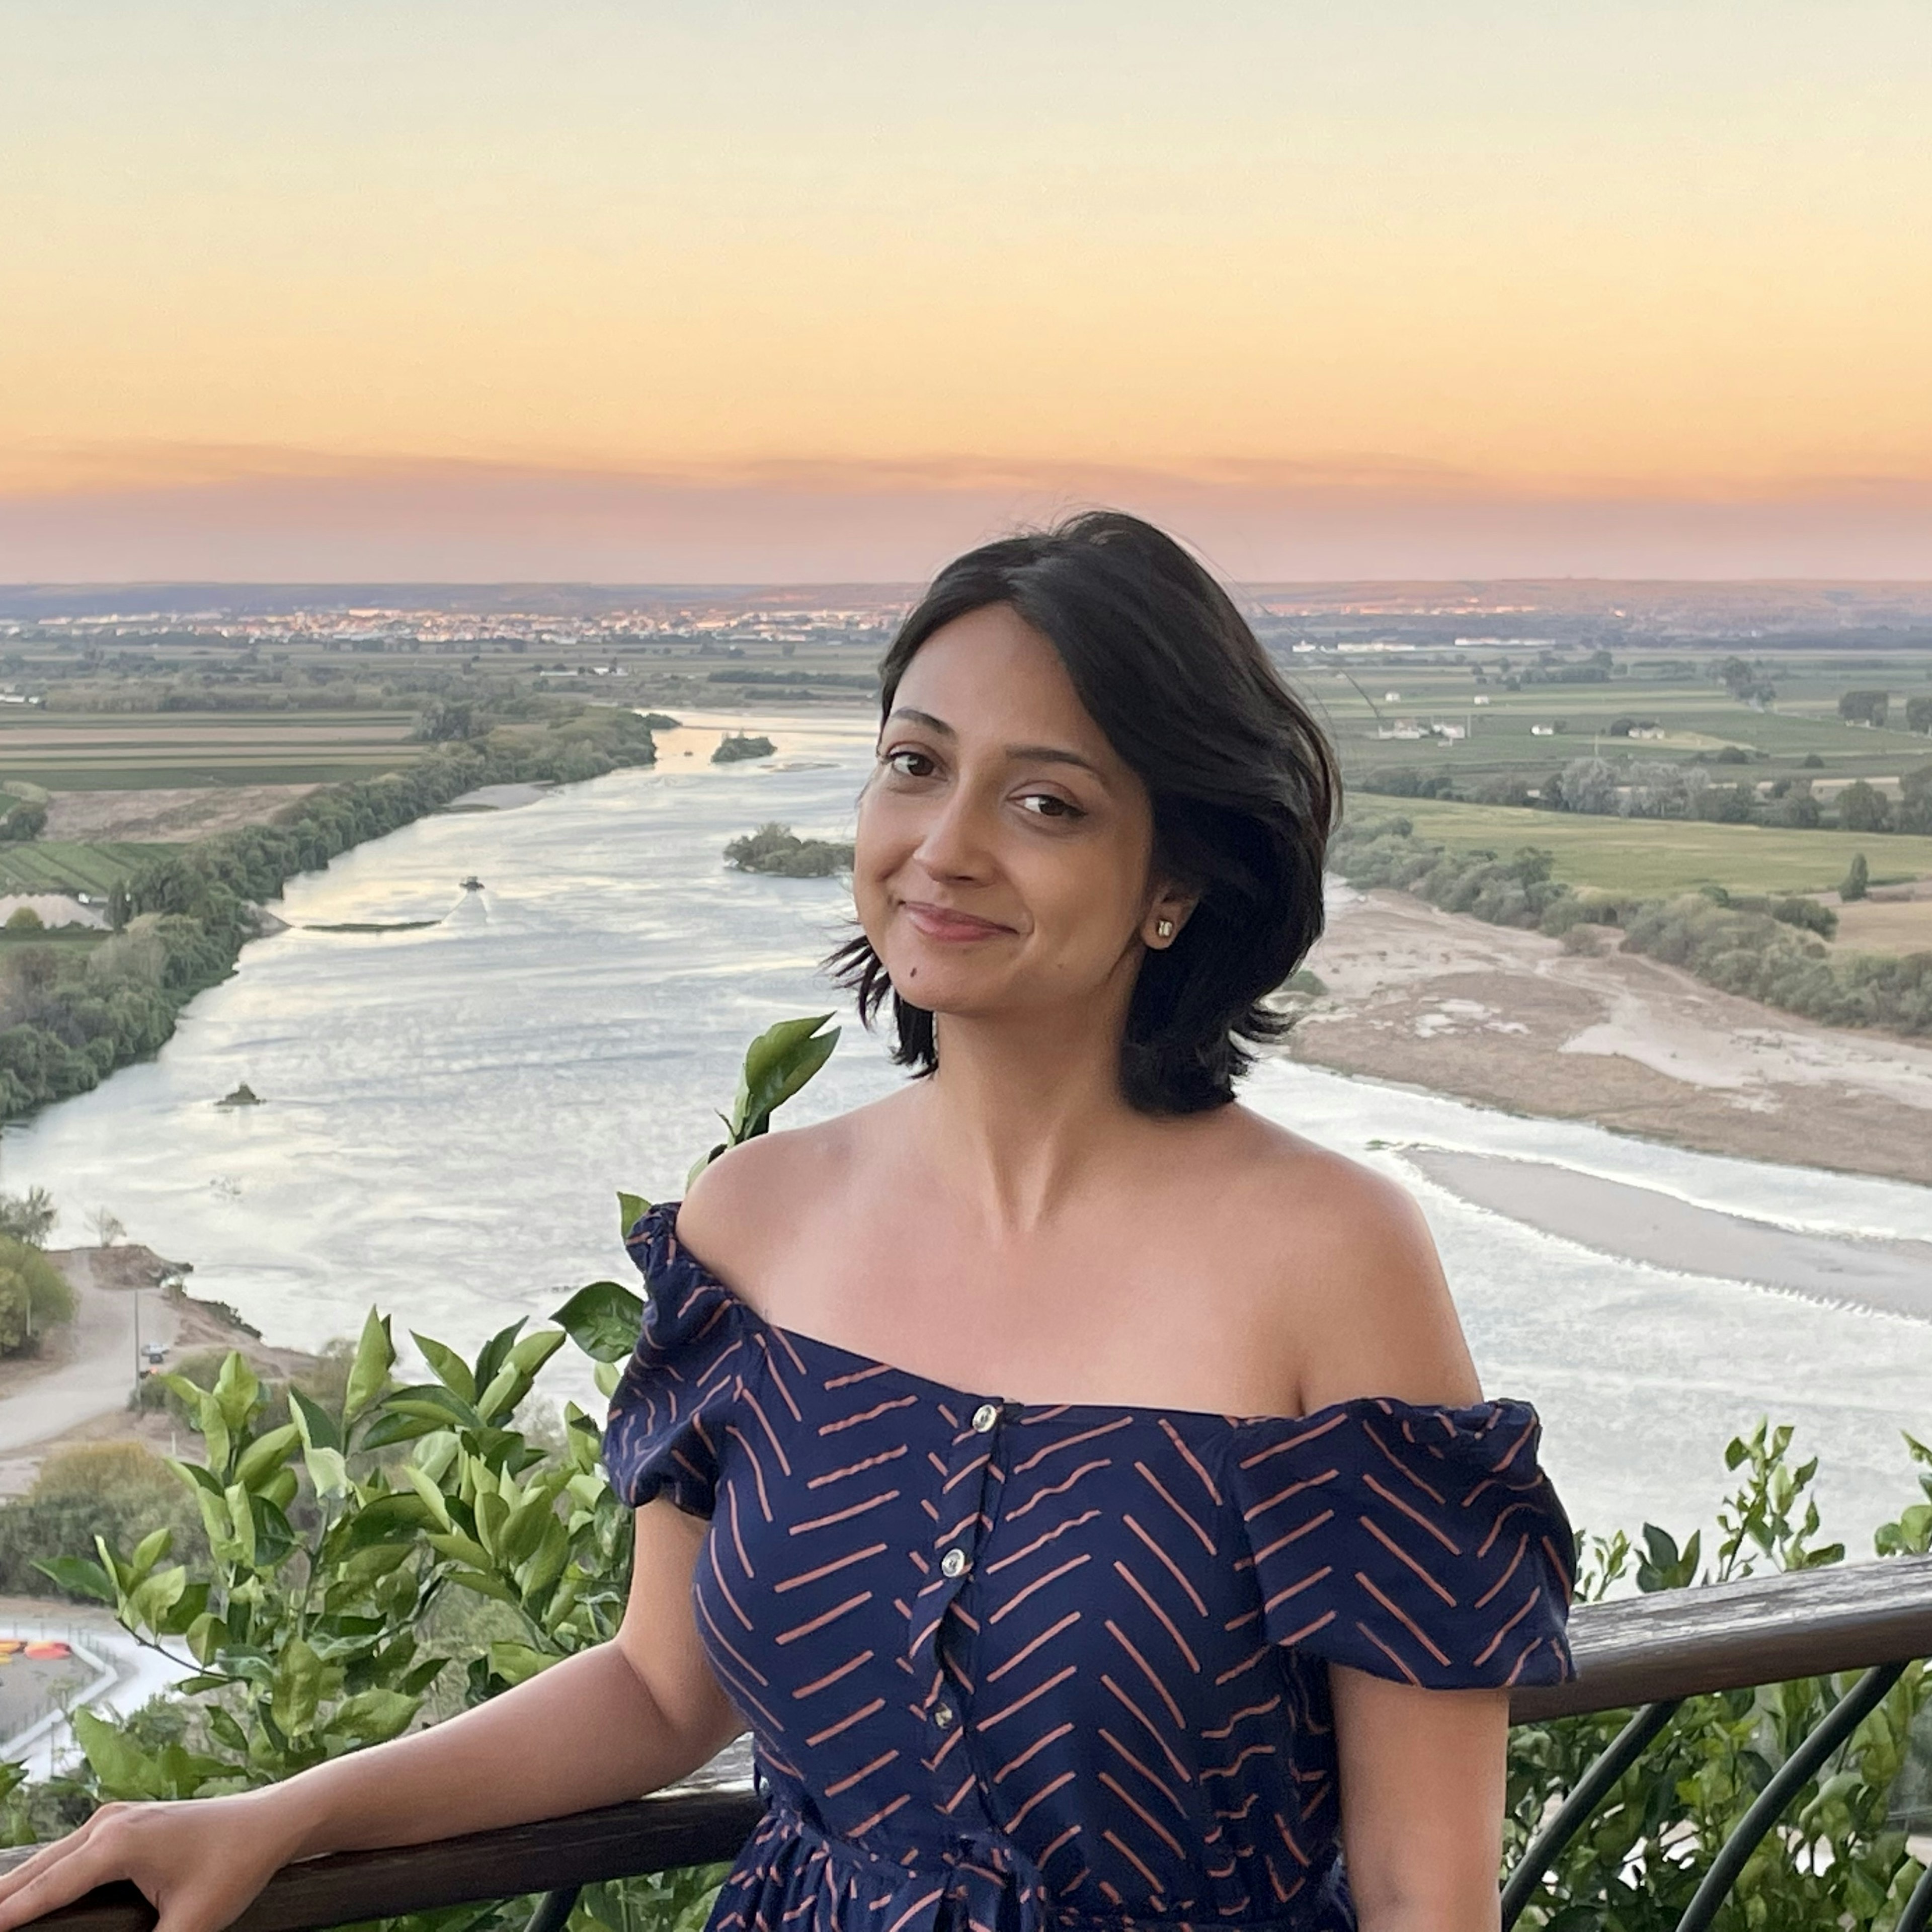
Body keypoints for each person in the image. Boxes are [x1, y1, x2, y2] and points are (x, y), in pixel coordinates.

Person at [0, 512, 1572, 1932]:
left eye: (1046, 800)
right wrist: (284, 1813)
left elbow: (1427, 1893)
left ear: (1177, 878)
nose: (945, 846)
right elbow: (658, 1686)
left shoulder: (1333, 1261)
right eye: (914, 763)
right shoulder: (754, 1221)